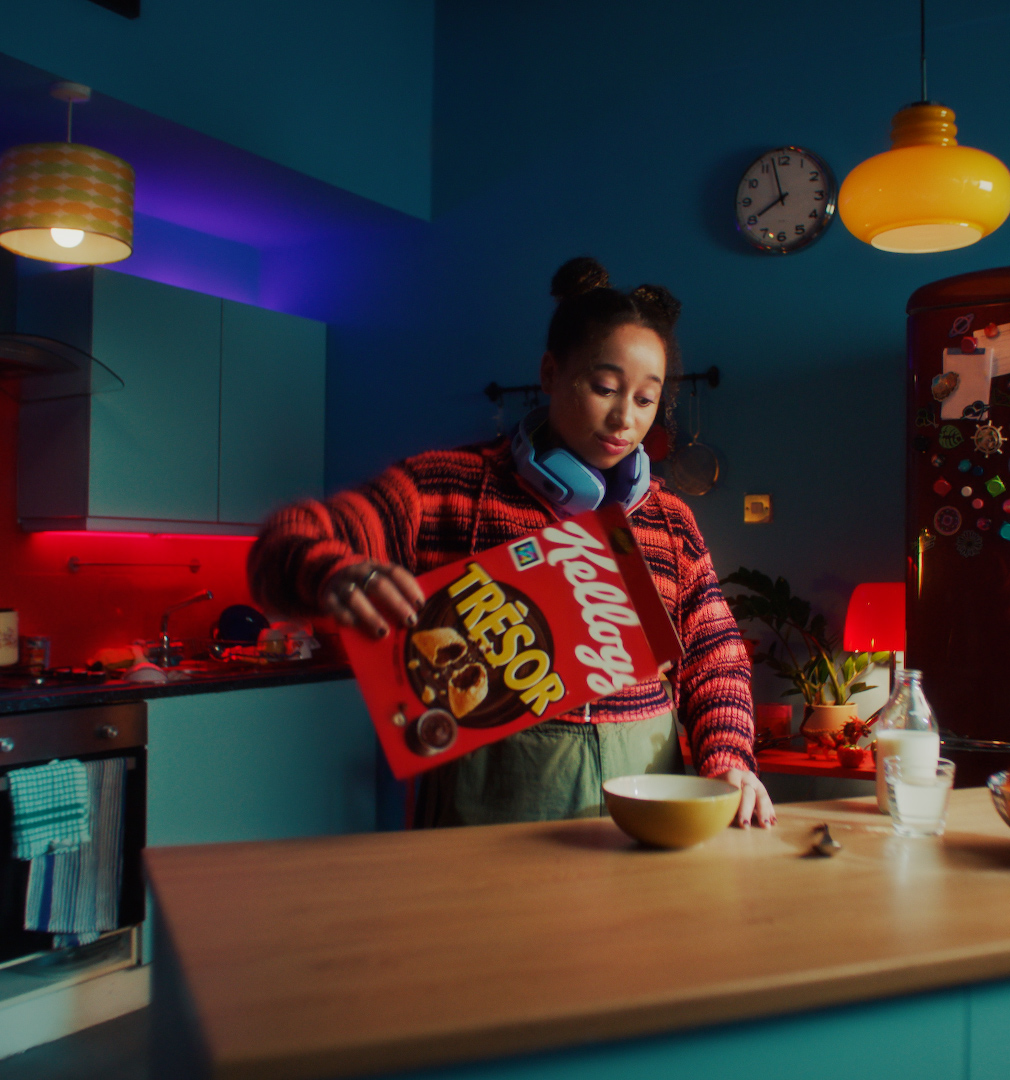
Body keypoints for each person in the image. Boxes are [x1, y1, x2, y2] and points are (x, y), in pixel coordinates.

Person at [248, 257, 774, 829]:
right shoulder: (443, 488)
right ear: (550, 373)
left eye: (645, 400)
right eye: (604, 387)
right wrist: (330, 571)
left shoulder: (671, 521)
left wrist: (729, 760)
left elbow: (715, 657)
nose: (624, 418)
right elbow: (286, 542)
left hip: (637, 831)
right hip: (479, 838)